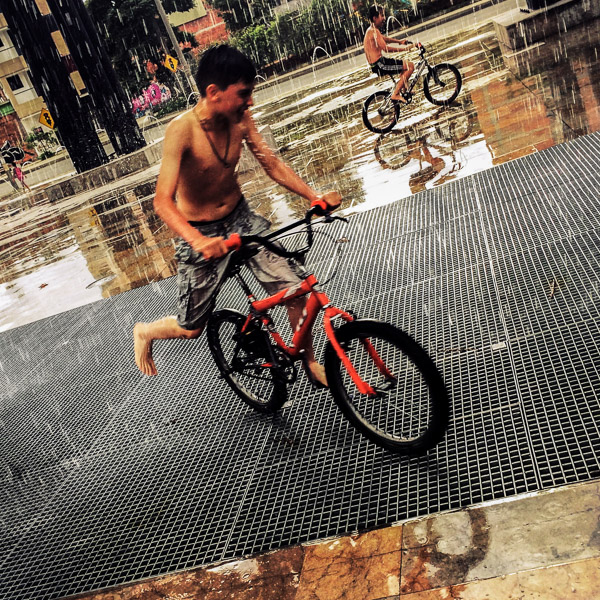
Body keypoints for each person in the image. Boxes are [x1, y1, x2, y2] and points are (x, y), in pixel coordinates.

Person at [134, 44, 341, 387]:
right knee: (192, 327)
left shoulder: (241, 120)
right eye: (244, 93)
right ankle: (146, 331)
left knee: (295, 290)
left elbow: (270, 162)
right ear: (213, 92)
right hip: (200, 232)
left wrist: (313, 196)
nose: (251, 102)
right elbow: (162, 203)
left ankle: (307, 360)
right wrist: (198, 240)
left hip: (240, 220)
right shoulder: (181, 131)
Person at [364, 4, 416, 103]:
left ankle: (404, 90)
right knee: (410, 67)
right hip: (380, 64)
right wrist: (405, 49)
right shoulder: (373, 31)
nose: (384, 18)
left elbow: (385, 39)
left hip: (379, 63)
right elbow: (386, 48)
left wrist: (399, 42)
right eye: (382, 15)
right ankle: (396, 94)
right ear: (375, 18)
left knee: (406, 65)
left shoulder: (372, 30)